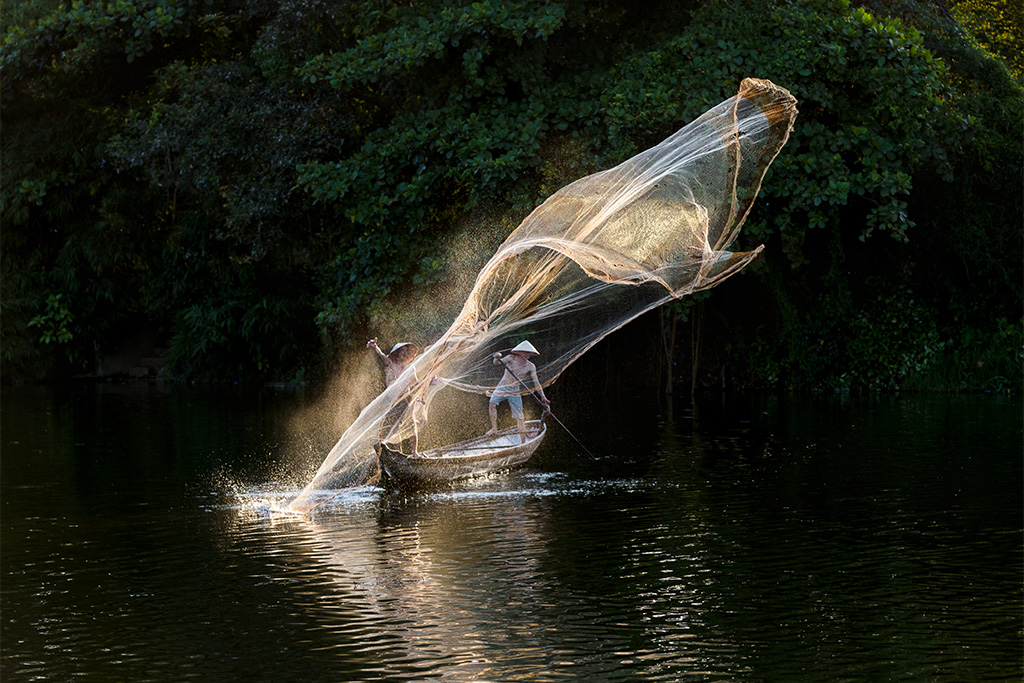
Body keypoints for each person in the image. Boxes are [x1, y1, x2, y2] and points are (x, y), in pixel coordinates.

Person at [486, 340, 551, 444]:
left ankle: (523, 442)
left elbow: (536, 383)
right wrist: (496, 357)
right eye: (525, 352)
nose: (527, 355)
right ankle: (494, 429)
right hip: (503, 386)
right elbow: (497, 363)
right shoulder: (511, 358)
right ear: (519, 352)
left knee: (520, 417)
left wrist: (543, 397)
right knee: (492, 404)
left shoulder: (530, 366)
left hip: (515, 390)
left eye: (529, 353)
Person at [367, 338, 423, 455]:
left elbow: (417, 383)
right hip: (392, 401)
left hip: (406, 399)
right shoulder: (390, 364)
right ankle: (399, 453)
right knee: (395, 428)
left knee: (411, 424)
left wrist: (429, 382)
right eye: (402, 351)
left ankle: (414, 452)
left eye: (405, 351)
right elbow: (382, 356)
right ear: (396, 354)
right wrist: (375, 347)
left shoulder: (409, 368)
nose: (404, 353)